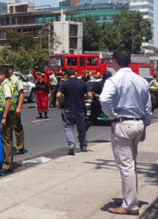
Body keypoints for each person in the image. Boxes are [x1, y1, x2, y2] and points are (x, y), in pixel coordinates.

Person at [100, 50, 152, 216]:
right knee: (132, 164)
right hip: (138, 124)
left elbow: (103, 99)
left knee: (126, 167)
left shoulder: (114, 80)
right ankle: (130, 199)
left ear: (115, 62)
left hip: (123, 125)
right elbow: (148, 108)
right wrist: (144, 125)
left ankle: (130, 205)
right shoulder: (141, 80)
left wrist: (112, 115)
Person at [57, 68, 90, 155]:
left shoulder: (64, 84)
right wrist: (85, 99)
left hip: (68, 108)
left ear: (67, 75)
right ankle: (83, 146)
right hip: (80, 107)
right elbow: (90, 95)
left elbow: (58, 95)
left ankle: (71, 144)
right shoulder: (82, 83)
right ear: (75, 74)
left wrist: (61, 103)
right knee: (81, 127)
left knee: (68, 126)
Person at [0, 66, 14, 174]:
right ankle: (8, 162)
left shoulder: (6, 85)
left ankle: (7, 165)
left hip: (7, 115)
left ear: (3, 75)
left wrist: (4, 117)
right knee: (7, 139)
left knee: (6, 140)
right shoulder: (6, 84)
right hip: (7, 114)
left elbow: (8, 101)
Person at [7, 65, 26, 154]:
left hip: (14, 107)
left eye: (9, 69)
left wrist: (19, 107)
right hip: (7, 107)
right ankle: (9, 147)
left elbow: (22, 94)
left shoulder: (17, 80)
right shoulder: (6, 80)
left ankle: (20, 146)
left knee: (17, 127)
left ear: (12, 70)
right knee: (7, 128)